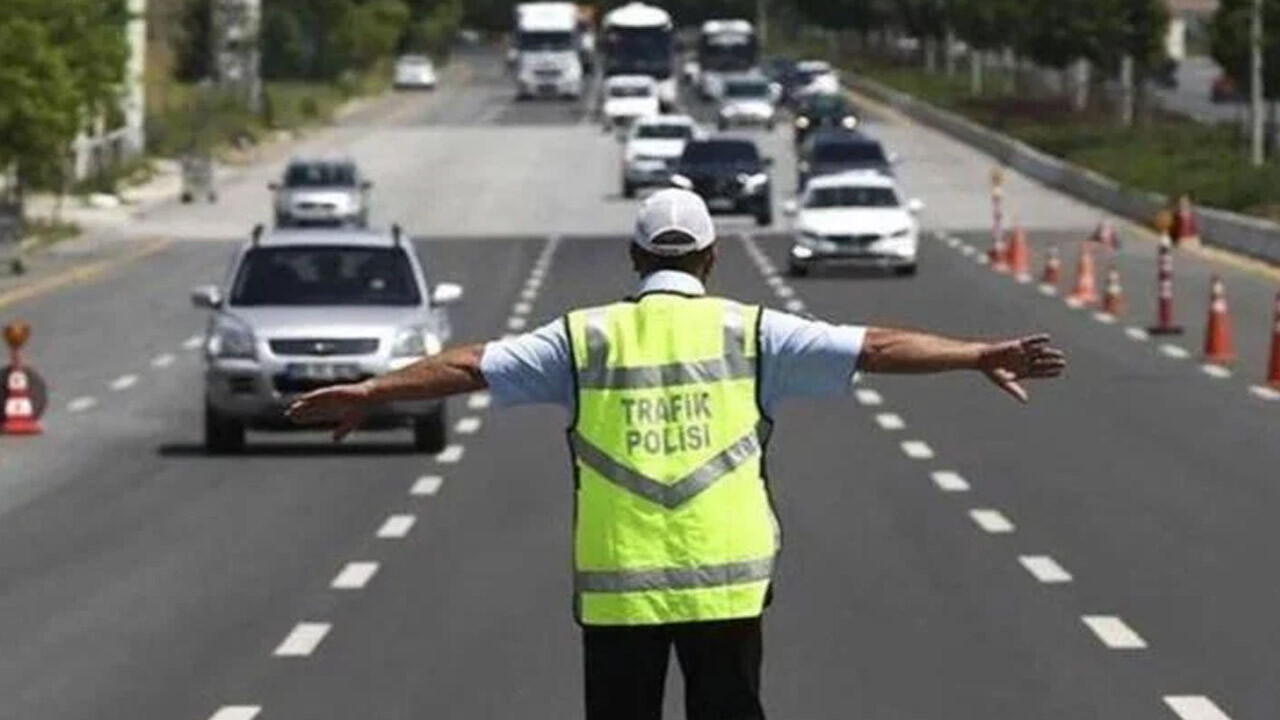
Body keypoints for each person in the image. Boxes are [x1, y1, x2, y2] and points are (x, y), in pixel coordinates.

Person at [286, 189, 1066, 720]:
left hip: (619, 592)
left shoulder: (582, 339)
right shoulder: (755, 332)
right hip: (727, 590)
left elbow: (467, 365)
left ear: (633, 257)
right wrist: (973, 353)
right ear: (712, 257)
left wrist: (372, 391)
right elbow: (876, 346)